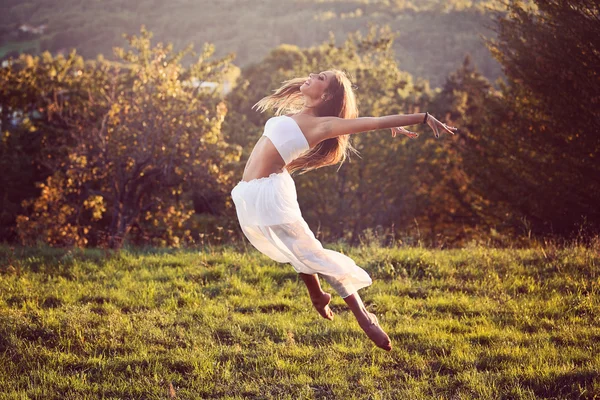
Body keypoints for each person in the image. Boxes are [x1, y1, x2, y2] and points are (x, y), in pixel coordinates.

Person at [230, 69, 457, 351]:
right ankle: (318, 296)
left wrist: (422, 117)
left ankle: (363, 317)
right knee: (297, 248)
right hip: (250, 193)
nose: (312, 74)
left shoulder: (323, 125)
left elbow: (373, 122)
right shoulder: (297, 115)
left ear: (325, 95)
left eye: (321, 77)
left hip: (269, 193)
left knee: (309, 251)